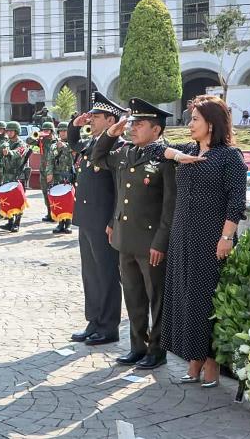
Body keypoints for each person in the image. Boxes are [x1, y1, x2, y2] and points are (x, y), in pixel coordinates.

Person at [143, 94, 247, 387]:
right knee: (185, 298)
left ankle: (211, 364)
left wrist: (226, 236)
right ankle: (194, 361)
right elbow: (151, 150)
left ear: (211, 124)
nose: (190, 124)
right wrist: (177, 156)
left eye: (196, 119)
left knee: (206, 300)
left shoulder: (230, 156)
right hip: (182, 236)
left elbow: (236, 201)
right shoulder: (188, 149)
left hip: (212, 238)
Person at [93, 98, 177, 370]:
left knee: (156, 299)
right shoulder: (125, 153)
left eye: (139, 125)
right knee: (133, 296)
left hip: (150, 242)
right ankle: (137, 347)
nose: (133, 128)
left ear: (156, 130)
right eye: (132, 123)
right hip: (125, 239)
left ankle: (157, 350)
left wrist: (161, 242)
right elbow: (98, 157)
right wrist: (111, 133)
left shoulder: (165, 158)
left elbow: (169, 207)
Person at [67, 93, 126, 345]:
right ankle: (94, 320)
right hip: (87, 219)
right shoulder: (93, 143)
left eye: (96, 117)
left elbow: (120, 189)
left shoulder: (117, 146)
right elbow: (73, 144)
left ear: (111, 119)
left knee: (107, 274)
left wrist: (113, 221)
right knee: (90, 274)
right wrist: (73, 126)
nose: (91, 120)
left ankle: (108, 326)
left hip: (104, 222)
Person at [0, 121, 28, 232]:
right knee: (7, 198)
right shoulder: (5, 143)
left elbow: (19, 153)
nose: (9, 133)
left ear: (16, 131)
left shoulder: (22, 144)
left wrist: (9, 152)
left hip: (17, 175)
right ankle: (9, 221)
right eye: (8, 131)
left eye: (11, 131)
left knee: (17, 199)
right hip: (6, 175)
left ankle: (17, 223)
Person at [44, 122, 74, 234]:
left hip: (68, 175)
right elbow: (50, 161)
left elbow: (73, 156)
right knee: (58, 199)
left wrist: (65, 147)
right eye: (60, 131)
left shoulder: (72, 144)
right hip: (57, 175)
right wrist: (49, 173)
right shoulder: (53, 145)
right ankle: (60, 223)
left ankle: (68, 224)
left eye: (65, 131)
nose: (62, 133)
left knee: (68, 199)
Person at [26, 121, 57, 223]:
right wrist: (37, 135)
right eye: (44, 130)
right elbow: (28, 141)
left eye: (47, 130)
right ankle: (49, 212)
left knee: (53, 193)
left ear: (52, 131)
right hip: (43, 170)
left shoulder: (56, 141)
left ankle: (56, 213)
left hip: (53, 171)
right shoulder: (41, 141)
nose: (45, 132)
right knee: (45, 192)